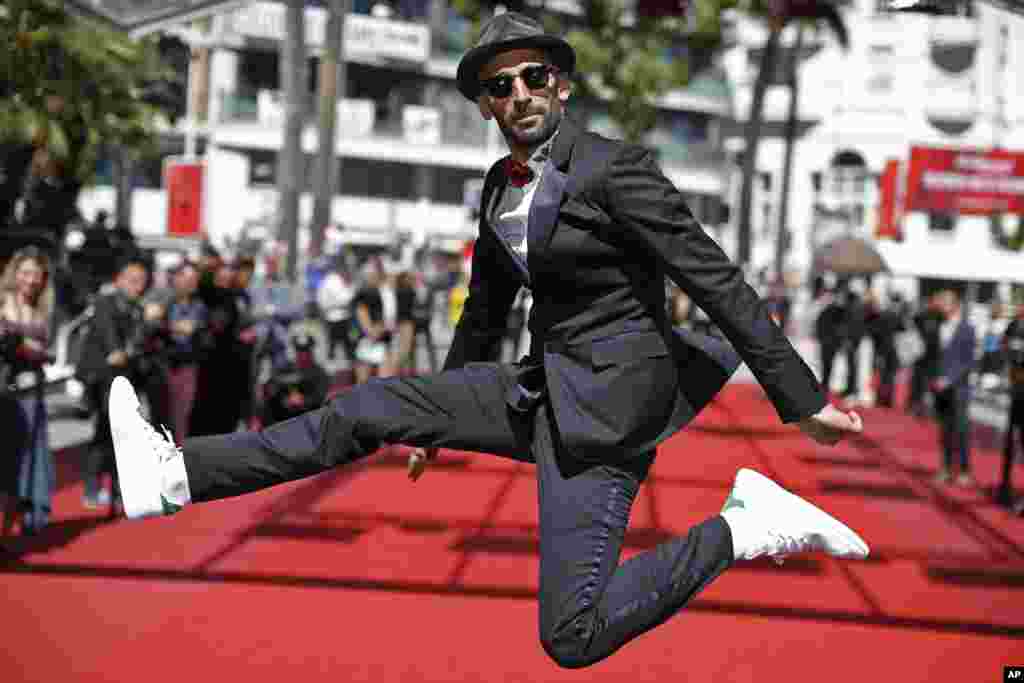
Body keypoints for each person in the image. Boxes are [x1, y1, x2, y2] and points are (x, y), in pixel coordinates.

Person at [108, 13, 868, 669]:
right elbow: (485, 311)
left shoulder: (614, 170)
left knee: (572, 635)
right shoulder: (499, 188)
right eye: (500, 87)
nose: (520, 96)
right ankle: (175, 475)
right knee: (368, 408)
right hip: (542, 387)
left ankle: (743, 526)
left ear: (561, 85)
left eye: (533, 77)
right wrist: (431, 420)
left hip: (605, 419)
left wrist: (799, 401)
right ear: (484, 104)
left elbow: (715, 279)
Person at [77, 254, 165, 509]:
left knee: (120, 434)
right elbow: (109, 336)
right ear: (119, 280)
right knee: (106, 429)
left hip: (126, 377)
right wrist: (116, 350)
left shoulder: (139, 308)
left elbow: (143, 344)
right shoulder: (106, 302)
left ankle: (116, 488)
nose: (137, 286)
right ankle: (93, 488)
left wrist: (149, 323)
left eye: (141, 281)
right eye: (132, 280)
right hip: (102, 376)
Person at [0, 247, 56, 535]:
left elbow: (50, 353)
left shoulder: (43, 311)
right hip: (4, 393)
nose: (31, 280)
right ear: (15, 273)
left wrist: (35, 352)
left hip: (31, 396)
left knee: (24, 463)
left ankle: (9, 528)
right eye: (25, 272)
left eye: (37, 274)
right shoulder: (2, 304)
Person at [930, 290, 976, 486]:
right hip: (941, 388)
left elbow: (968, 361)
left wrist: (950, 379)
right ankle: (946, 468)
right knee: (945, 430)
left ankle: (965, 470)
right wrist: (935, 379)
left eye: (944, 302)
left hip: (959, 388)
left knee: (961, 430)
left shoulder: (967, 329)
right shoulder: (939, 326)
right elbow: (936, 356)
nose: (940, 306)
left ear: (954, 305)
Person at [260, 332, 331, 427]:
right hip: (285, 418)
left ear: (311, 351)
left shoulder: (320, 373)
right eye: (300, 351)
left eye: (306, 351)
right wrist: (284, 398)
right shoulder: (285, 369)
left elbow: (321, 397)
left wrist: (303, 400)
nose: (303, 354)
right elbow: (271, 388)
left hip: (309, 419)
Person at [997, 302, 1024, 513]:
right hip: (1017, 392)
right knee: (1011, 442)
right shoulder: (1014, 325)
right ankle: (1004, 486)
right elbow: (1003, 347)